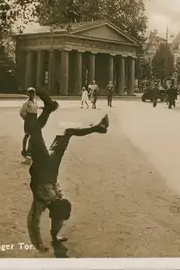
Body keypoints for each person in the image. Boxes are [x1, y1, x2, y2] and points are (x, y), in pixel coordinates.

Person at [26, 88, 109, 252]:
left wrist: (39, 244)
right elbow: (51, 219)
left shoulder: (45, 201)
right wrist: (51, 237)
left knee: (52, 132)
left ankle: (49, 108)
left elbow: (33, 222)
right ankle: (98, 128)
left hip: (46, 164)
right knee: (65, 132)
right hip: (49, 163)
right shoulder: (58, 199)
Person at [20, 87, 39, 157]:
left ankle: (29, 149)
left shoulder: (35, 102)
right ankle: (24, 149)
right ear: (28, 94)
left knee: (32, 135)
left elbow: (36, 108)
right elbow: (21, 112)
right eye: (30, 93)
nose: (32, 95)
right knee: (27, 134)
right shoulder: (26, 103)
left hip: (34, 118)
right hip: (29, 118)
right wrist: (26, 119)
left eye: (33, 93)